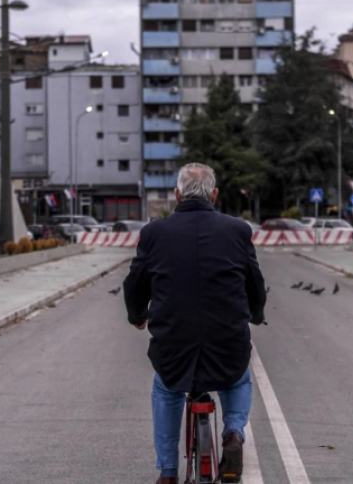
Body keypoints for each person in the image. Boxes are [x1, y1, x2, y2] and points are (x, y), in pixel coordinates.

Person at [123, 163, 267, 484]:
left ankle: (168, 472)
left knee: (166, 388)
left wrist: (138, 317)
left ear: (176, 195)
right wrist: (256, 315)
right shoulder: (237, 230)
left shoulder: (154, 233)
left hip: (173, 345)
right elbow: (255, 283)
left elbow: (134, 285)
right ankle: (232, 433)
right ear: (214, 195)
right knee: (238, 378)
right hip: (226, 342)